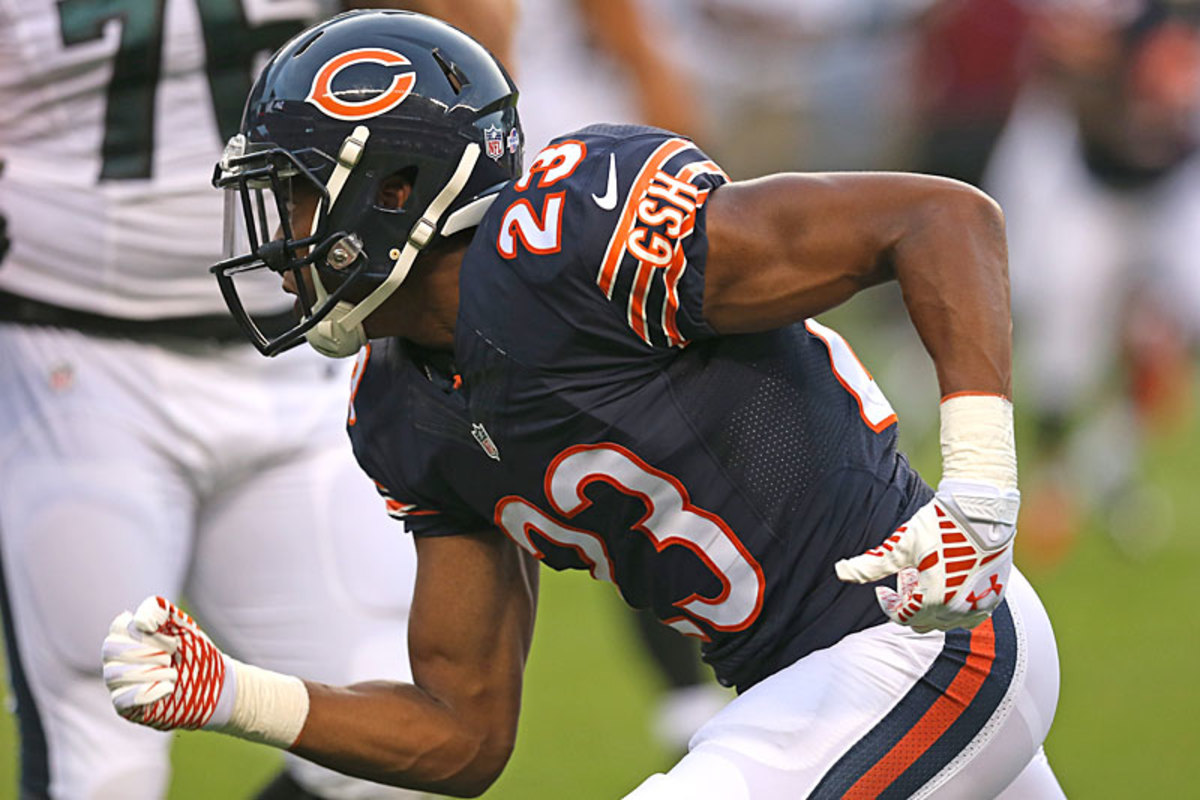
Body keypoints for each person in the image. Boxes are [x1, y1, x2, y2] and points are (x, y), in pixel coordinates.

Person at [100, 10, 1063, 798]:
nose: (288, 239)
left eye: (304, 199)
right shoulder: (398, 408)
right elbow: (461, 735)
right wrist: (232, 693)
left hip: (923, 640)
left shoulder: (569, 240)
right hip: (807, 689)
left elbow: (941, 217)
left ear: (399, 190)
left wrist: (977, 492)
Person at [0, 2, 423, 799]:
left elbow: (443, 58)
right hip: (71, 356)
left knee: (390, 756)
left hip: (304, 346)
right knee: (104, 764)